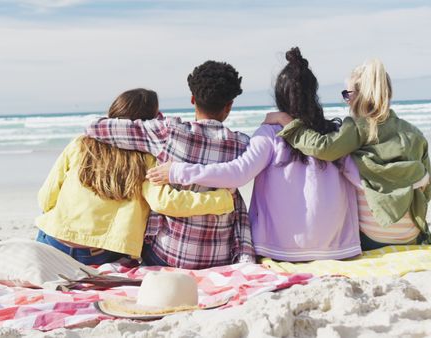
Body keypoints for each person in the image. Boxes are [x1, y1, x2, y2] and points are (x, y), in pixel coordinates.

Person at [146, 47, 362, 261]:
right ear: (313, 93)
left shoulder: (270, 133)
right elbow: (361, 180)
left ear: (280, 95)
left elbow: (238, 173)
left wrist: (177, 171)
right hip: (337, 246)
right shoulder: (334, 136)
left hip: (281, 248)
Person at [84, 62, 256, 269]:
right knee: (233, 197)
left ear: (193, 99)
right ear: (229, 105)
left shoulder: (168, 132)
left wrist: (155, 120)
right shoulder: (243, 145)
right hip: (218, 259)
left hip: (167, 257)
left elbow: (94, 126)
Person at [36, 88, 235, 265]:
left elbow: (45, 198)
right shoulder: (147, 157)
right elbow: (164, 203)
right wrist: (222, 199)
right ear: (150, 122)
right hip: (98, 253)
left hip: (52, 240)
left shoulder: (80, 144)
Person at [265, 59, 431, 250]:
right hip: (410, 235)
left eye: (347, 94)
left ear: (360, 96)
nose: (346, 99)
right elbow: (427, 191)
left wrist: (290, 125)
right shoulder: (414, 134)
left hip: (372, 237)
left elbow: (324, 149)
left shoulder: (358, 127)